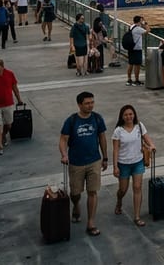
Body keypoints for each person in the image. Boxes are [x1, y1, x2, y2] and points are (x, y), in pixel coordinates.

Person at [59, 91, 108, 237]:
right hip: (76, 163)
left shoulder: (97, 119)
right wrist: (64, 154)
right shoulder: (71, 121)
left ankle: (91, 222)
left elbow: (102, 138)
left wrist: (105, 157)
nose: (90, 105)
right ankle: (76, 205)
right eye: (87, 103)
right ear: (79, 104)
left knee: (92, 192)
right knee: (75, 193)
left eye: (92, 102)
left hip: (94, 161)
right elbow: (63, 140)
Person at [111, 104, 155, 227]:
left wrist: (152, 146)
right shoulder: (118, 131)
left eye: (131, 114)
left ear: (134, 115)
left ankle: (137, 216)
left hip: (138, 162)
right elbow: (115, 150)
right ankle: (119, 201)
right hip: (123, 163)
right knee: (123, 189)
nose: (129, 117)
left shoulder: (139, 126)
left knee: (137, 187)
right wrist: (115, 166)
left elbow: (147, 138)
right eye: (126, 115)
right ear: (122, 117)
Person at [126, 16, 147, 86]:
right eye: (141, 20)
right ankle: (136, 80)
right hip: (137, 48)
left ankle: (129, 79)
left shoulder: (131, 26)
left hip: (131, 47)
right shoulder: (138, 29)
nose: (142, 21)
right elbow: (148, 31)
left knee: (130, 63)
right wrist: (145, 24)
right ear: (139, 21)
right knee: (137, 65)